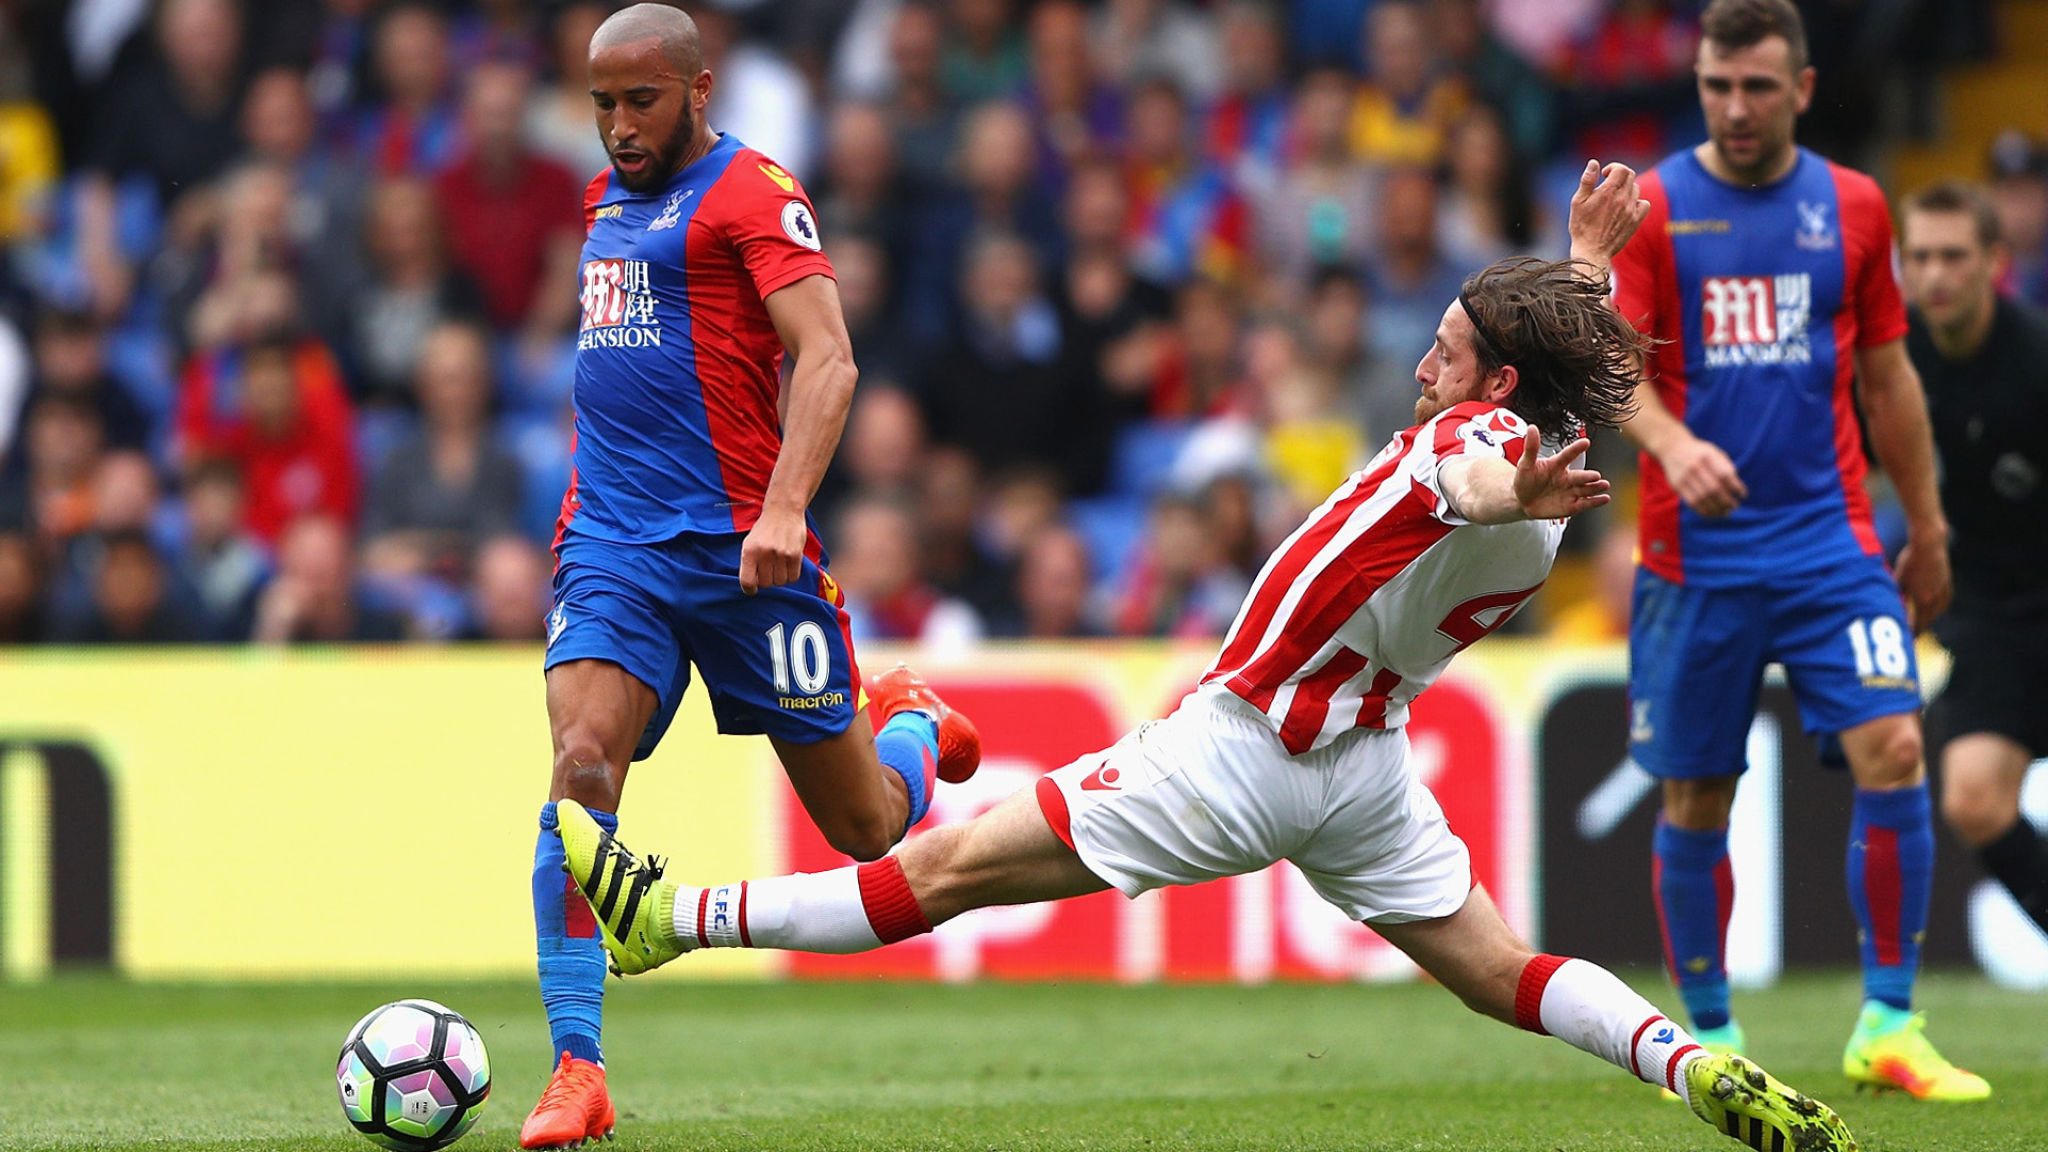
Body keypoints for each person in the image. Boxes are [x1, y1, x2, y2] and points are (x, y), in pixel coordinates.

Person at [556, 162, 1857, 1152]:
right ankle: (1687, 1067)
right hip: (1368, 765)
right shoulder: (1532, 473)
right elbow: (1520, 421)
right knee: (1497, 969)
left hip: (1245, 746)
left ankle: (674, 920)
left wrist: (1497, 480)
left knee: (940, 869)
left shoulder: (1475, 456)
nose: (1424, 363)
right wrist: (1583, 265)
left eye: (1450, 352)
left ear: (1497, 388)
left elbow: (1471, 465)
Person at [520, 8, 983, 1148]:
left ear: (697, 88)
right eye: (600, 105)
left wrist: (781, 510)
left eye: (639, 101)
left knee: (867, 831)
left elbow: (829, 359)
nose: (618, 128)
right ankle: (577, 1068)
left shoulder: (753, 191)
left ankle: (910, 726)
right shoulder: (599, 204)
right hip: (614, 548)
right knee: (581, 769)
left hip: (745, 557)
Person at [1608, 0, 1986, 1101]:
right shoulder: (1654, 210)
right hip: (1695, 560)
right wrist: (1671, 445)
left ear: (1802, 90)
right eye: (1716, 86)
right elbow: (1610, 368)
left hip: (1830, 546)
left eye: (1756, 88)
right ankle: (1711, 1039)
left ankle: (1886, 1023)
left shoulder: (1854, 206)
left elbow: (1886, 379)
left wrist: (1926, 524)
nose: (1733, 108)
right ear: (1698, 83)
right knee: (1694, 798)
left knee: (1896, 751)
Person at [1899, 181, 2048, 943]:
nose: (1935, 276)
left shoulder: (2036, 361)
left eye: (1953, 257)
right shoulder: (1894, 366)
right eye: (1919, 257)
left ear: (1994, 262)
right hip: (1992, 620)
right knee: (1973, 799)